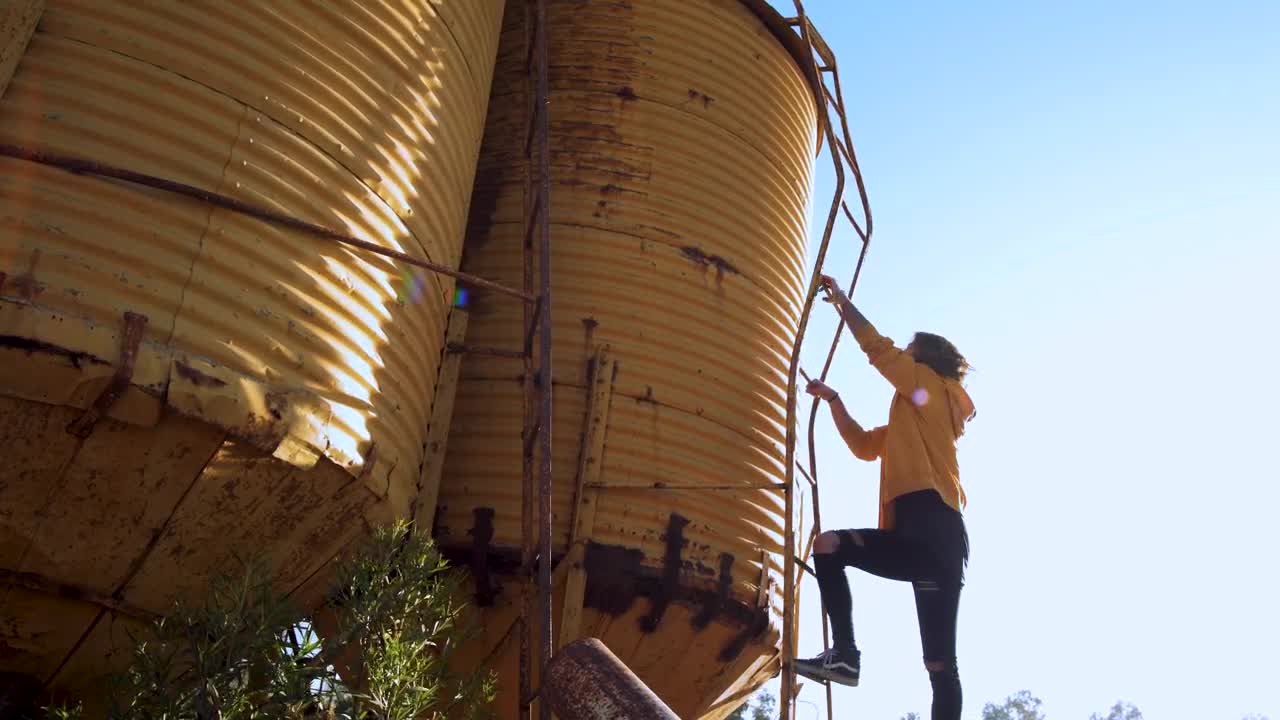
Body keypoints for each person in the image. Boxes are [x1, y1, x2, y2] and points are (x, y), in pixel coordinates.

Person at [792, 274, 975, 720]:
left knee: (939, 664)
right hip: (918, 542)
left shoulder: (928, 387)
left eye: (911, 352)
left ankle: (847, 655)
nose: (904, 357)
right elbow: (863, 446)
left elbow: (879, 351)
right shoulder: (910, 422)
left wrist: (842, 303)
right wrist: (834, 400)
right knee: (829, 545)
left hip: (936, 531)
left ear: (925, 359)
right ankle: (845, 656)